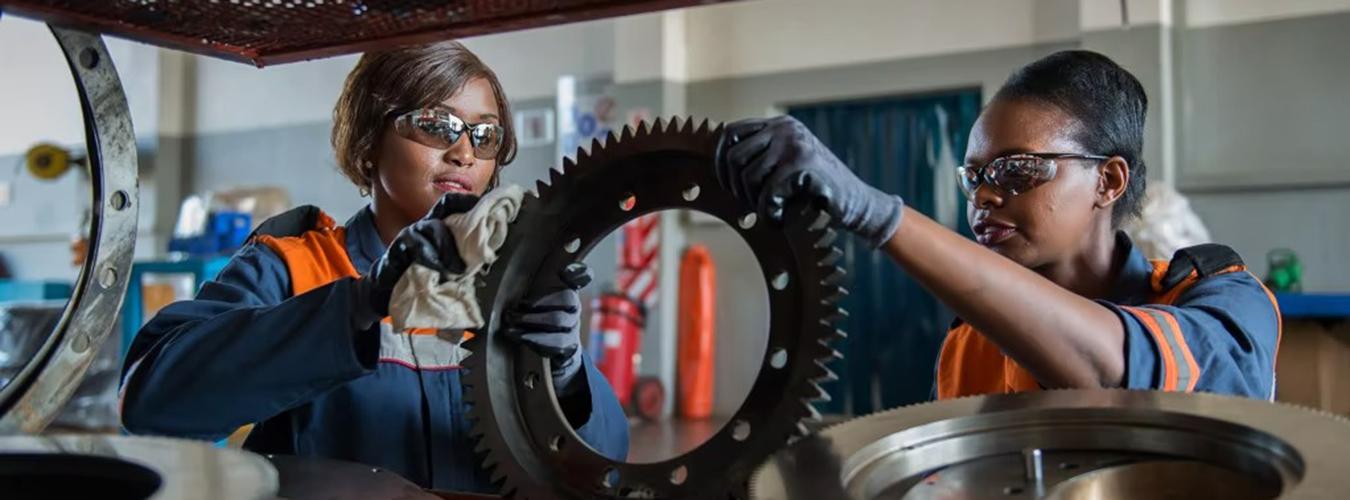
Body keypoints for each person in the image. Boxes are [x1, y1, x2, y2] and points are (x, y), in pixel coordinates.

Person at [119, 41, 628, 492]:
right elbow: (152, 405)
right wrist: (362, 302)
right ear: (367, 142)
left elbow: (607, 463)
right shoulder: (294, 266)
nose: (464, 152)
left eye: (485, 135)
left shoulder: (514, 289)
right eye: (436, 124)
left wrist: (565, 373)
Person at [715, 50, 1279, 400]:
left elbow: (1123, 372)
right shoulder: (970, 346)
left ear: (1108, 181)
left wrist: (875, 213)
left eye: (1016, 170)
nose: (984, 195)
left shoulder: (1220, 300)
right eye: (975, 175)